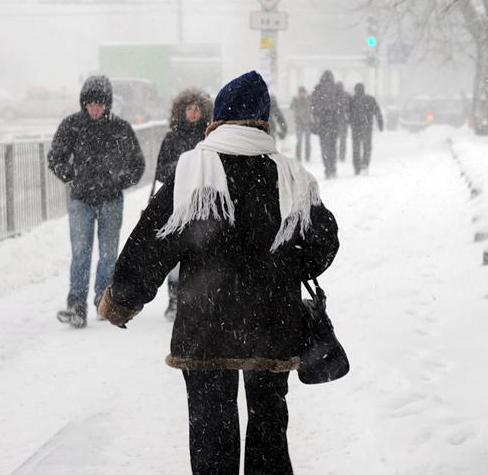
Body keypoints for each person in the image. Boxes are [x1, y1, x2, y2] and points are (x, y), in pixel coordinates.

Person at [98, 71, 339, 475]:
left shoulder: (193, 173)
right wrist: (287, 265)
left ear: (218, 118)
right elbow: (323, 244)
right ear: (263, 121)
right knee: (269, 430)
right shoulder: (292, 177)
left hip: (207, 324)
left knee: (211, 433)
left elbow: (152, 241)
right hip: (271, 323)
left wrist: (123, 298)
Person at [47, 75, 145, 328]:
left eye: (99, 104)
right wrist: (70, 176)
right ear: (83, 103)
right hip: (81, 199)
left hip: (111, 199)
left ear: (108, 104)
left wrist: (120, 180)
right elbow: (55, 157)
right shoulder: (72, 126)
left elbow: (137, 163)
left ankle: (103, 302)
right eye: (90, 104)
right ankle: (76, 306)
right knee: (81, 253)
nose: (94, 108)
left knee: (108, 254)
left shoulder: (120, 128)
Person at [154, 88, 212, 320]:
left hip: (202, 203)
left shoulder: (209, 137)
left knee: (202, 252)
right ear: (182, 110)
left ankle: (199, 299)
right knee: (176, 253)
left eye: (198, 108)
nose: (193, 112)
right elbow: (159, 170)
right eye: (189, 108)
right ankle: (175, 299)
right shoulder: (172, 137)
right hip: (176, 203)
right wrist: (182, 167)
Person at [350, 83, 384, 175]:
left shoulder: (352, 100)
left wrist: (349, 122)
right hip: (367, 127)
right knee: (367, 147)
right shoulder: (370, 99)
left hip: (355, 127)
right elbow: (377, 112)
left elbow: (348, 113)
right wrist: (380, 123)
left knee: (356, 148)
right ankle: (365, 163)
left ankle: (357, 167)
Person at [311, 70, 340, 178]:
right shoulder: (336, 88)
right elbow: (340, 105)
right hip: (334, 123)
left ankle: (327, 168)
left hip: (322, 124)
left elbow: (313, 105)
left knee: (325, 147)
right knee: (333, 146)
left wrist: (318, 115)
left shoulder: (318, 89)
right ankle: (333, 167)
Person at [290, 86, 313, 162]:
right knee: (299, 141)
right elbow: (291, 107)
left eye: (303, 93)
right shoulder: (296, 100)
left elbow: (311, 108)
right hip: (299, 123)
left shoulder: (308, 100)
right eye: (300, 93)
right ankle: (299, 156)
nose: (302, 94)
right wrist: (296, 100)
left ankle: (307, 157)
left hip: (307, 123)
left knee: (307, 141)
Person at [335, 81, 352, 162]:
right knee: (342, 139)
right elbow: (351, 107)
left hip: (334, 120)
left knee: (334, 139)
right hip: (343, 120)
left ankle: (335, 155)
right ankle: (341, 155)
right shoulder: (347, 95)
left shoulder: (332, 95)